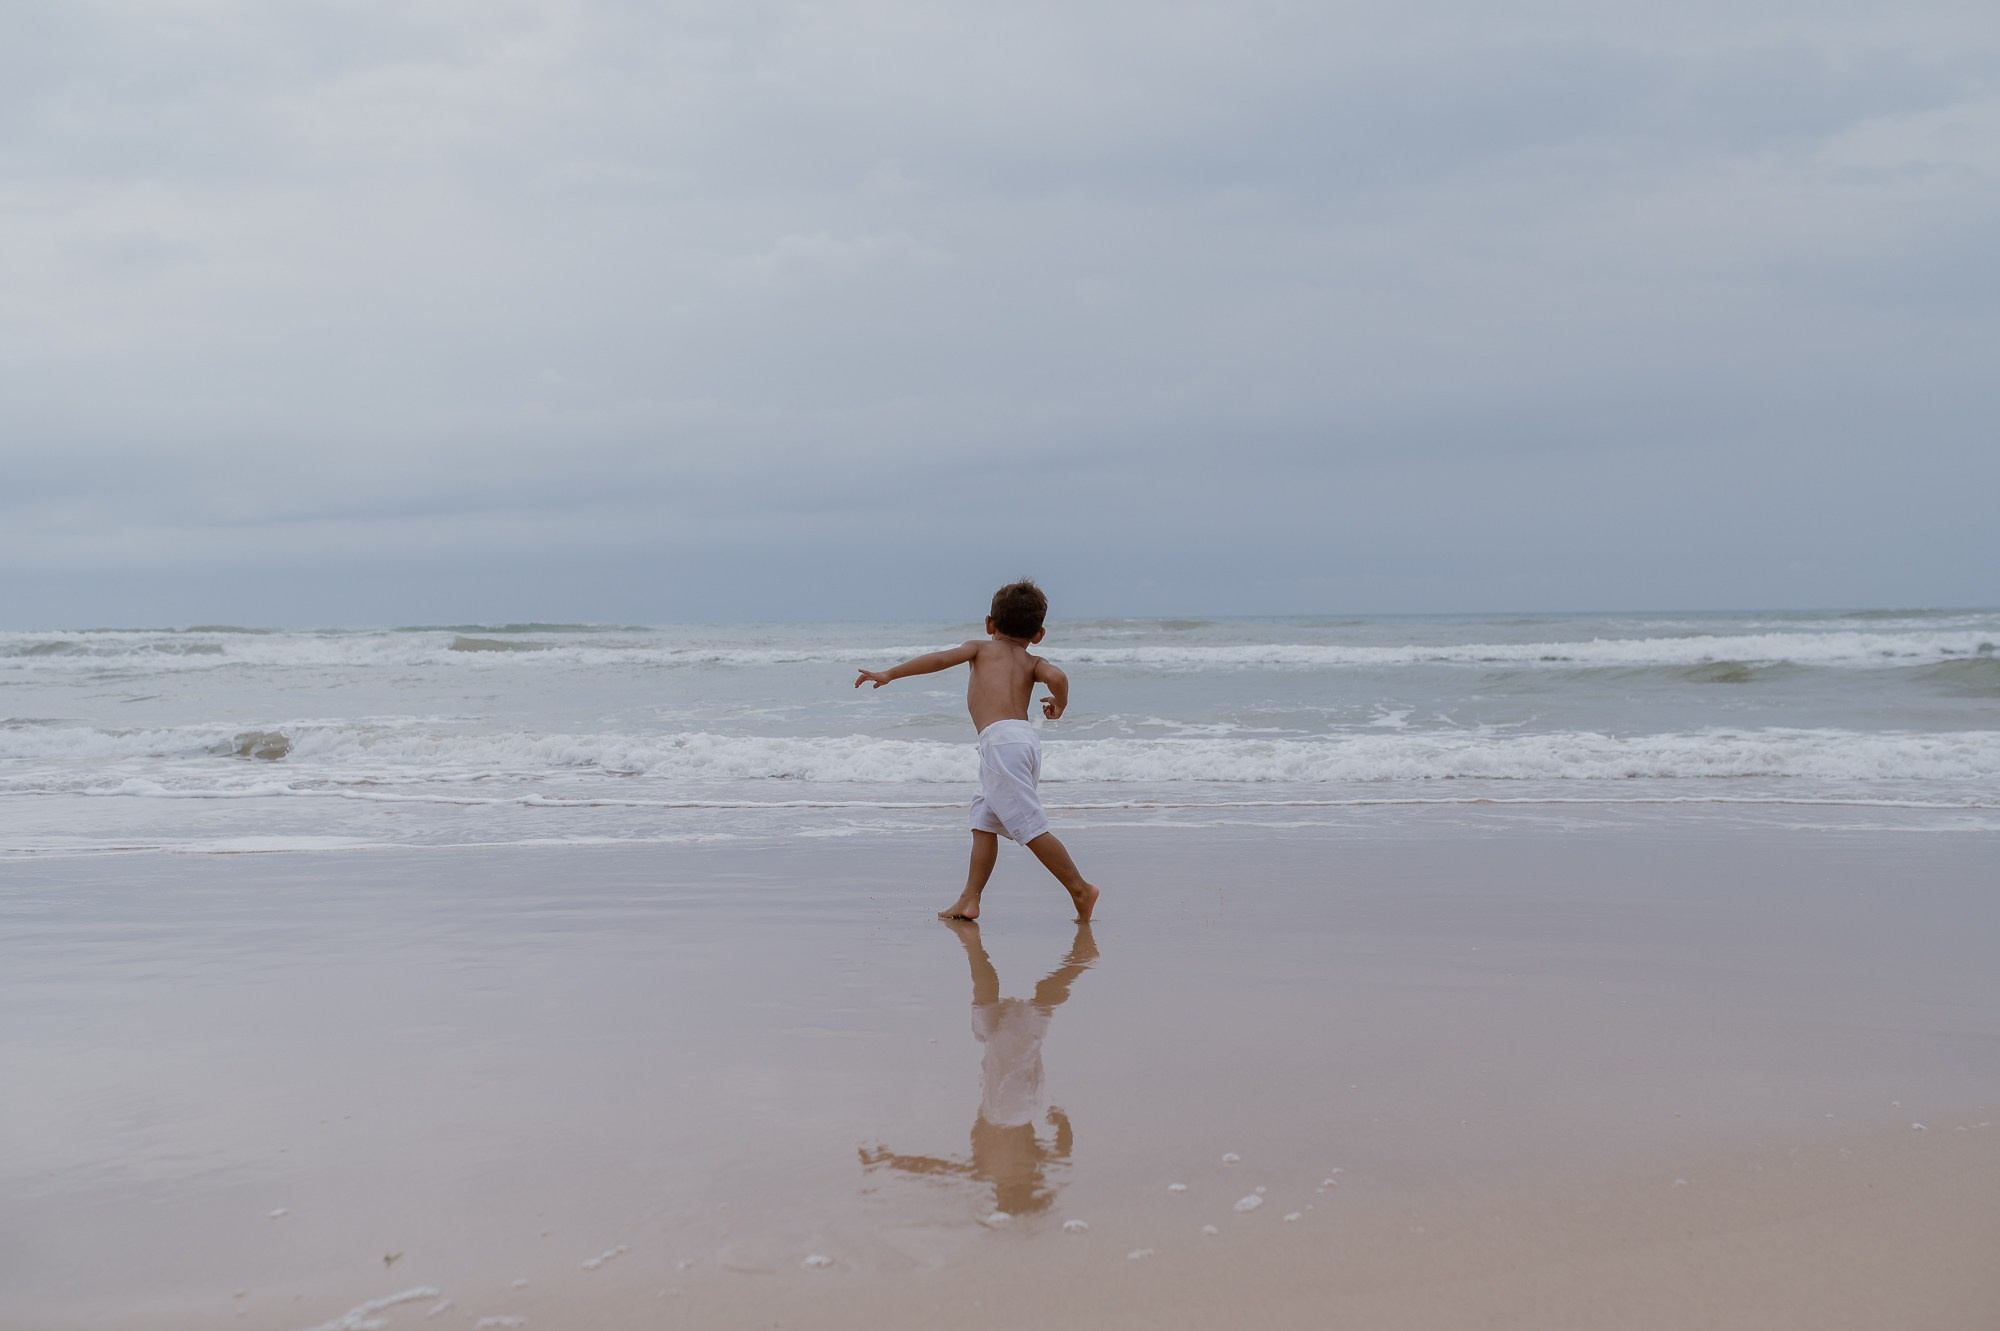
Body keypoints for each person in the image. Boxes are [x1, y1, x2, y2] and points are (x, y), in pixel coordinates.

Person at [854, 579, 1100, 922]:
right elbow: (1057, 676)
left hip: (1001, 743)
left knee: (1029, 826)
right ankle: (970, 899)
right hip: (1019, 740)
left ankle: (1080, 889)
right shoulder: (1034, 661)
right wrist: (1061, 703)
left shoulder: (980, 648)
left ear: (989, 624)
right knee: (984, 819)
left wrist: (891, 673)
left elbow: (939, 659)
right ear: (1039, 633)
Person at [858, 919, 1097, 1216]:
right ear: (1005, 1193)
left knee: (1014, 1023)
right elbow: (938, 1171)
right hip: (1007, 1109)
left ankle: (1068, 963)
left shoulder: (1018, 1167)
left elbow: (1061, 1152)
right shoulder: (991, 1172)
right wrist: (891, 1159)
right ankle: (1079, 962)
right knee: (1019, 1017)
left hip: (1022, 1106)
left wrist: (1060, 1121)